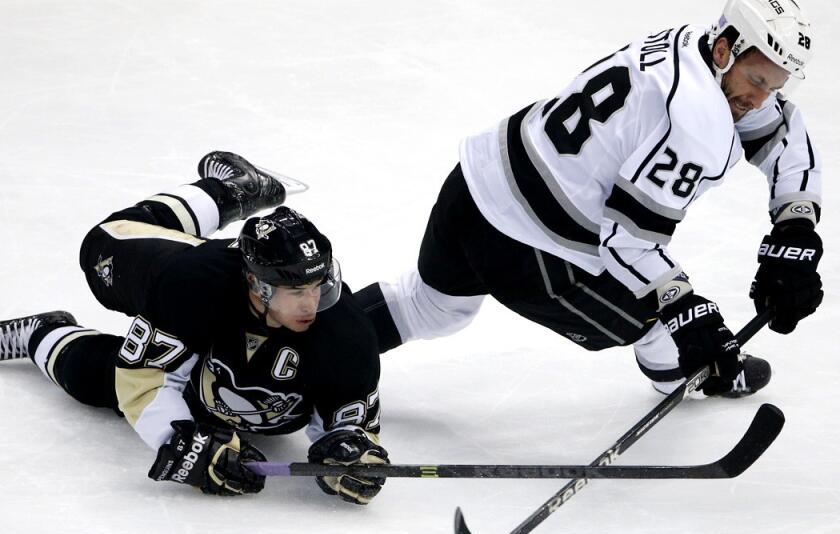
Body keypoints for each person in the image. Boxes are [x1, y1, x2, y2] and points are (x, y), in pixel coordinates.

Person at [357, 0, 823, 397]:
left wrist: (795, 223)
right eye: (757, 81)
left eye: (775, 86)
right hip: (531, 252)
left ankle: (297, 349)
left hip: (476, 181)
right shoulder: (695, 124)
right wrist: (687, 312)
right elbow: (629, 245)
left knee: (430, 306)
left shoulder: (692, 44)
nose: (761, 100)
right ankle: (684, 371)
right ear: (726, 51)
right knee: (663, 321)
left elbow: (778, 131)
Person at [0, 152, 388, 504]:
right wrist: (181, 441)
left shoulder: (346, 331)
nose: (313, 303)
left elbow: (349, 426)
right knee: (100, 246)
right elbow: (142, 379)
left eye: (319, 284)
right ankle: (231, 190)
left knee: (94, 375)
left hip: (229, 387)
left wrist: (351, 455)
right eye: (297, 290)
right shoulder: (193, 285)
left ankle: (44, 331)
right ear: (256, 283)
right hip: (194, 324)